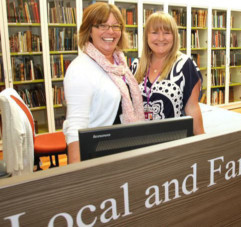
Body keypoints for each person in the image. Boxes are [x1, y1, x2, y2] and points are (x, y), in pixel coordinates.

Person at [63, 3, 144, 164]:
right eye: (102, 25)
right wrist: (77, 177)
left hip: (120, 148)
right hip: (96, 155)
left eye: (116, 26)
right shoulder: (80, 69)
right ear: (89, 31)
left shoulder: (119, 64)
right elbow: (75, 128)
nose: (111, 31)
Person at [132, 12, 205, 135]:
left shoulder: (185, 65)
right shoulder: (136, 65)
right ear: (146, 37)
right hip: (139, 139)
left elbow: (192, 108)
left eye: (166, 33)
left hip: (173, 143)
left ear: (174, 36)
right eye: (154, 32)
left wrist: (202, 145)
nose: (161, 38)